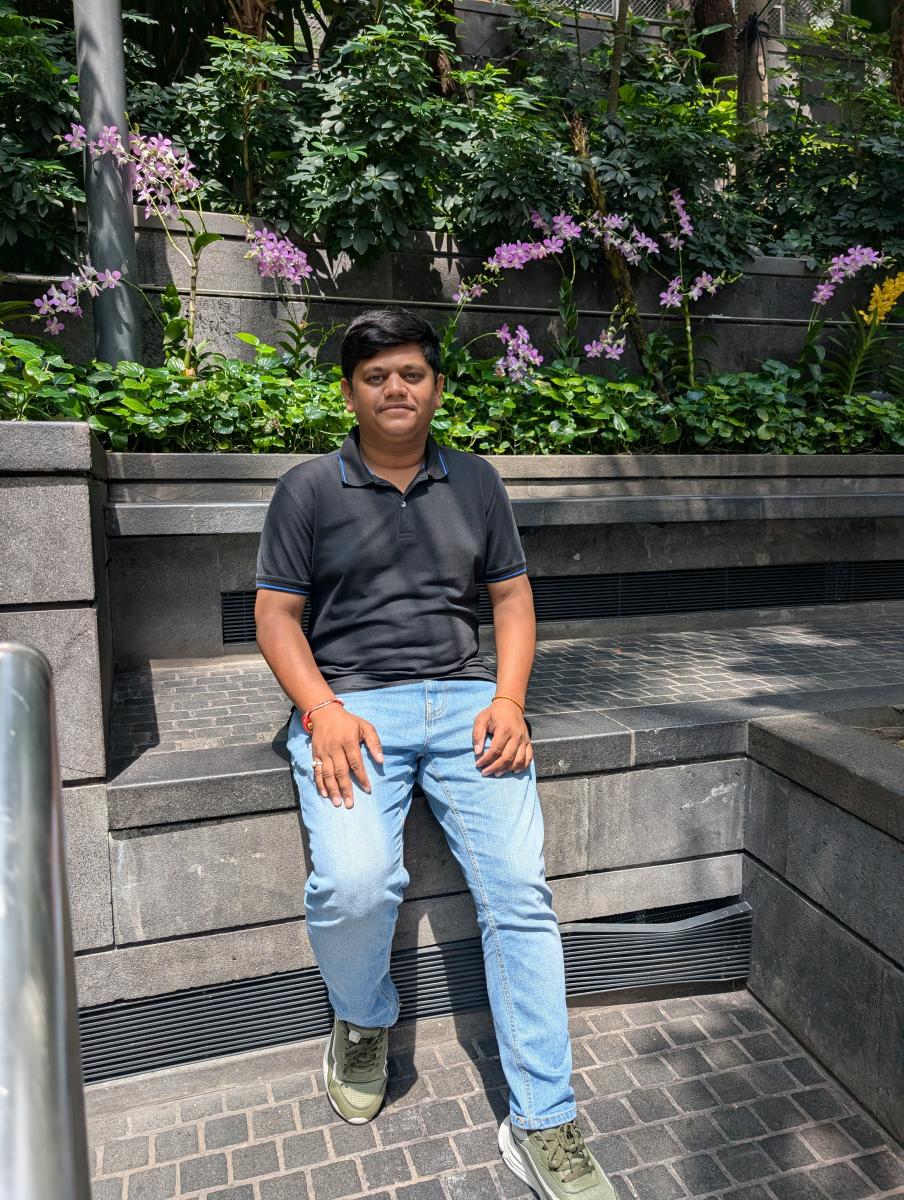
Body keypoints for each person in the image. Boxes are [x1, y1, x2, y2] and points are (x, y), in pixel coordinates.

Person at [254, 308, 615, 1200]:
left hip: (466, 706)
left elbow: (512, 601)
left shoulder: (477, 483)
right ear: (349, 393)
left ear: (437, 387)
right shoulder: (307, 489)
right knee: (355, 883)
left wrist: (510, 700)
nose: (396, 389)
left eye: (411, 373)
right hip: (351, 709)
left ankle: (543, 1120)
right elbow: (276, 617)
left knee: (519, 894)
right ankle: (362, 1020)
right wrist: (320, 710)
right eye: (375, 376)